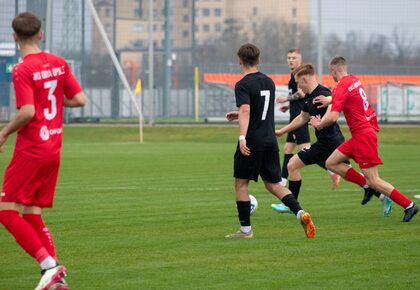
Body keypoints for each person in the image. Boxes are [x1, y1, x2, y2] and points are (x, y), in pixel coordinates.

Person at [0, 12, 86, 289]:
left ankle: (49, 267)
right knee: (31, 212)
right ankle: (56, 279)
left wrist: (3, 132)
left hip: (32, 147)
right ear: (41, 34)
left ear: (14, 37)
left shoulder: (23, 69)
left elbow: (27, 111)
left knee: (4, 211)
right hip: (53, 147)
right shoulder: (59, 63)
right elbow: (79, 99)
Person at [272, 63, 392, 216]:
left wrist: (321, 123)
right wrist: (282, 131)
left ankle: (291, 204)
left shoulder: (322, 92)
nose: (297, 86)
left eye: (297, 82)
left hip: (331, 142)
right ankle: (382, 196)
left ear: (304, 79)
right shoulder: (309, 96)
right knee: (347, 173)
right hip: (326, 142)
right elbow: (303, 117)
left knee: (292, 164)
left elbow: (332, 107)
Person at [309, 56, 418, 222]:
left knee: (374, 180)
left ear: (333, 71)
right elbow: (344, 96)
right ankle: (366, 186)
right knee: (331, 163)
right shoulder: (353, 80)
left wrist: (319, 124)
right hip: (360, 135)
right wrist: (329, 99)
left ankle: (409, 205)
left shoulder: (340, 87)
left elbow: (331, 118)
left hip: (363, 136)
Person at [225, 43, 315, 239]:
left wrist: (242, 137)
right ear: (258, 60)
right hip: (270, 140)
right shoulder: (269, 82)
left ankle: (246, 231)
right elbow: (254, 109)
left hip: (252, 141)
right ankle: (300, 212)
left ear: (240, 61)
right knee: (273, 184)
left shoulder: (242, 84)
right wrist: (239, 113)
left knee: (241, 184)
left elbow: (247, 110)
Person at [272, 49, 340, 213]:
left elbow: (304, 95)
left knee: (304, 150)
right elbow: (303, 107)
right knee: (290, 154)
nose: (290, 60)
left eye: (293, 58)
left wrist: (286, 99)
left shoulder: (310, 83)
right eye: (288, 57)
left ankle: (333, 171)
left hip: (319, 133)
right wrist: (286, 114)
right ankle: (287, 193)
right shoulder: (296, 79)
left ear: (299, 60)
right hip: (302, 124)